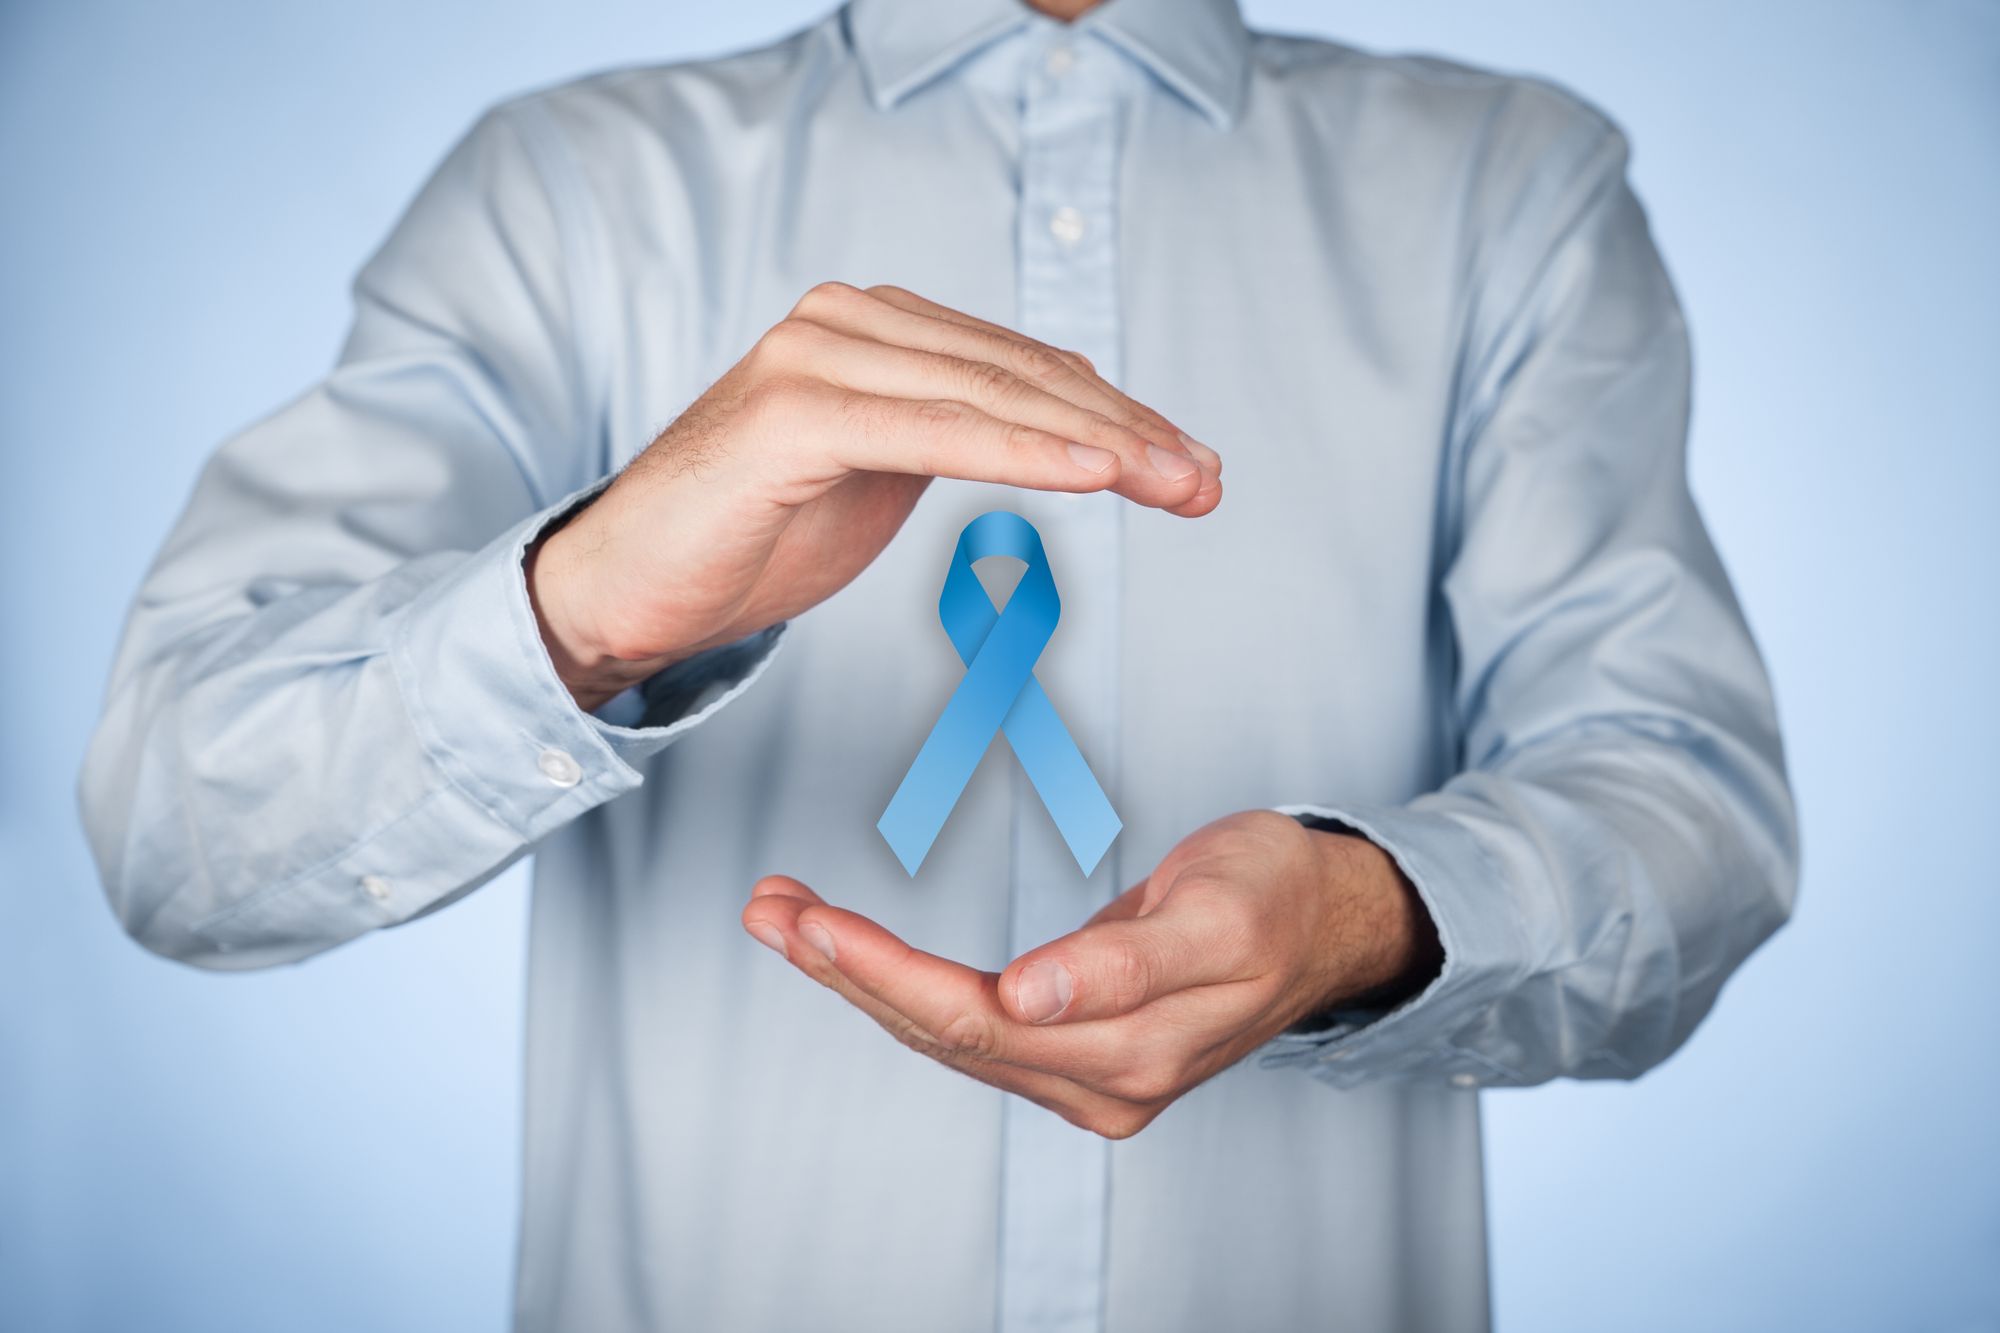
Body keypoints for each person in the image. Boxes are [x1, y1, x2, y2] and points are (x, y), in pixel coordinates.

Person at [77, 0, 1799, 1327]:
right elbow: (180, 828)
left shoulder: (1511, 186)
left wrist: (1361, 917)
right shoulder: (566, 192)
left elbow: (1682, 805)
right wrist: (586, 601)